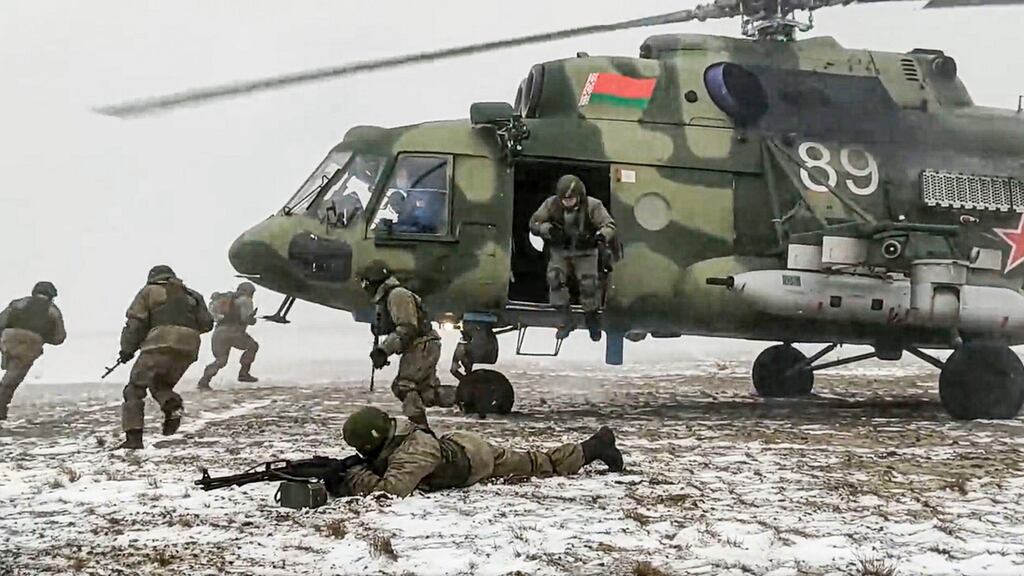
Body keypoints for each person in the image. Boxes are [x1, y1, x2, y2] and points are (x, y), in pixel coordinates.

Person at [340, 406, 624, 497]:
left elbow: (390, 491)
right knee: (537, 461)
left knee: (541, 465)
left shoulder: (413, 452)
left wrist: (351, 475)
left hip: (477, 461)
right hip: (462, 447)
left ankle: (595, 447)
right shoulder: (403, 440)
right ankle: (595, 445)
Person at [116, 265, 213, 449]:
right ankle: (172, 406)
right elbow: (207, 324)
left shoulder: (149, 292)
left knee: (134, 390)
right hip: (189, 347)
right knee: (161, 385)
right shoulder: (192, 295)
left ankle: (133, 440)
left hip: (159, 344)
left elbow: (135, 323)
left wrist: (127, 349)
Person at [357, 262, 454, 427]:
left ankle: (421, 429)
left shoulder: (397, 296)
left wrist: (383, 350)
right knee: (426, 392)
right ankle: (467, 397)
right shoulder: (391, 296)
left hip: (422, 344)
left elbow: (408, 328)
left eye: (364, 282)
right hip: (424, 344)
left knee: (404, 385)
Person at [529, 174, 616, 341]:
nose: (567, 202)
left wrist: (599, 237)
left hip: (586, 251)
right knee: (554, 278)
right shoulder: (551, 204)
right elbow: (535, 223)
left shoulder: (593, 205)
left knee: (588, 284)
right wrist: (549, 231)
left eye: (571, 199)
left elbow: (609, 225)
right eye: (564, 199)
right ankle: (565, 319)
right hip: (560, 250)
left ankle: (591, 317)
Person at [0, 282, 66, 420]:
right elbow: (59, 338)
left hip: (8, 338)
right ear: (51, 295)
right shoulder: (53, 310)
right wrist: (43, 337)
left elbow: (2, 321)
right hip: (31, 343)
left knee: (9, 371)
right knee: (11, 380)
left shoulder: (19, 303)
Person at [197, 282, 260, 390]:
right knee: (253, 346)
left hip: (219, 333)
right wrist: (253, 319)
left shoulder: (223, 300)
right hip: (235, 332)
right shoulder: (245, 300)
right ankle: (243, 373)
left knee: (221, 360)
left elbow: (214, 316)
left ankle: (204, 380)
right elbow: (246, 319)